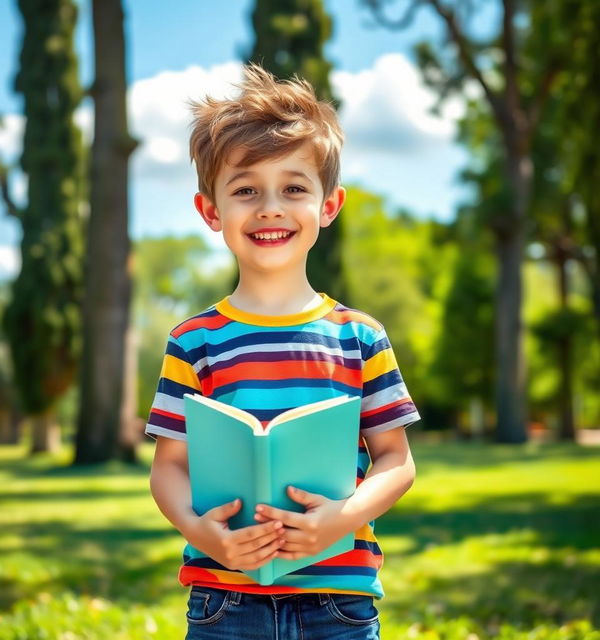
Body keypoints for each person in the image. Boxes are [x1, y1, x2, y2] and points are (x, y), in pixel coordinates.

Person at [145, 63, 421, 640]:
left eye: (294, 188)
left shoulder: (360, 337)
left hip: (338, 600)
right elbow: (169, 468)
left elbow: (396, 460)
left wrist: (340, 519)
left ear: (328, 205)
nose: (270, 207)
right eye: (246, 190)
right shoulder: (193, 342)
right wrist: (206, 536)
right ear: (211, 211)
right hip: (225, 600)